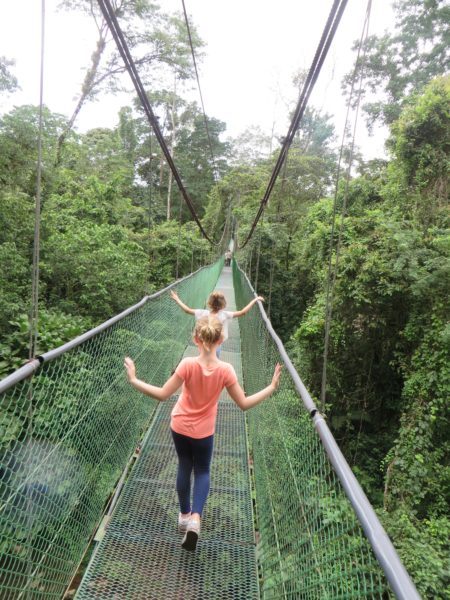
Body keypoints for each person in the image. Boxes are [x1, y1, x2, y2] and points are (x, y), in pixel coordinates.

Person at [124, 316, 281, 552]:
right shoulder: (226, 370)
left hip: (179, 426)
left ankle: (184, 514)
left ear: (195, 339)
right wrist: (270, 387)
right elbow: (245, 404)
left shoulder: (187, 364)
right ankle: (196, 518)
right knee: (202, 470)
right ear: (222, 339)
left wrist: (134, 379)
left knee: (184, 465)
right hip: (203, 433)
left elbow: (162, 395)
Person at [170, 289, 264, 358]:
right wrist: (255, 300)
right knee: (214, 361)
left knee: (202, 358)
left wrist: (177, 299)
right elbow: (243, 312)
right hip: (216, 344)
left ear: (209, 303)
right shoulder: (225, 315)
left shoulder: (203, 313)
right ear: (223, 304)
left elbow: (187, 310)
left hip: (203, 343)